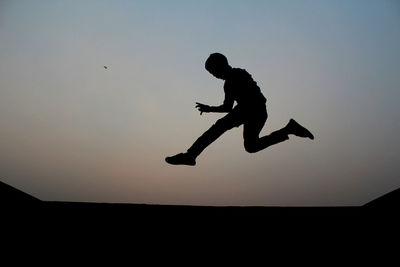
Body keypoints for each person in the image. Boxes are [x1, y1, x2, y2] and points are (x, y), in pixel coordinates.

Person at [165, 53, 314, 166]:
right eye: (212, 74)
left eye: (213, 72)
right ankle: (289, 129)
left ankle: (190, 155)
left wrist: (214, 109)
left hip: (253, 110)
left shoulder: (238, 74)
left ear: (221, 66)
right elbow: (227, 107)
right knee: (251, 146)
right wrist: (209, 108)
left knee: (218, 128)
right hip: (252, 111)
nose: (214, 76)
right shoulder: (229, 83)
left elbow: (246, 100)